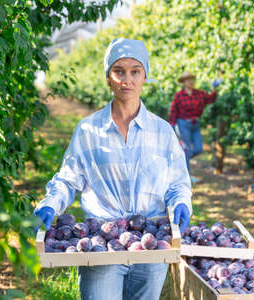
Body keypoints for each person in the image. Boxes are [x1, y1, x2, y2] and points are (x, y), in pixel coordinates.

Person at [33, 38, 192, 300]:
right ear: (108, 77)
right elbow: (68, 178)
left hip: (151, 245)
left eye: (135, 71)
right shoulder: (88, 129)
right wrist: (51, 203)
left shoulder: (162, 131)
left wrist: (181, 203)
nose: (126, 79)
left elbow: (177, 183)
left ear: (144, 77)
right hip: (102, 246)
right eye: (118, 71)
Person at [168, 71, 222, 183]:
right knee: (186, 149)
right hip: (183, 123)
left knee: (198, 148)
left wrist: (214, 88)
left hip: (195, 124)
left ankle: (179, 161)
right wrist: (171, 126)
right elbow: (173, 111)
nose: (190, 82)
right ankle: (186, 177)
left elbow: (211, 98)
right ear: (183, 82)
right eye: (187, 80)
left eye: (192, 79)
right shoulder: (179, 96)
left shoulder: (199, 93)